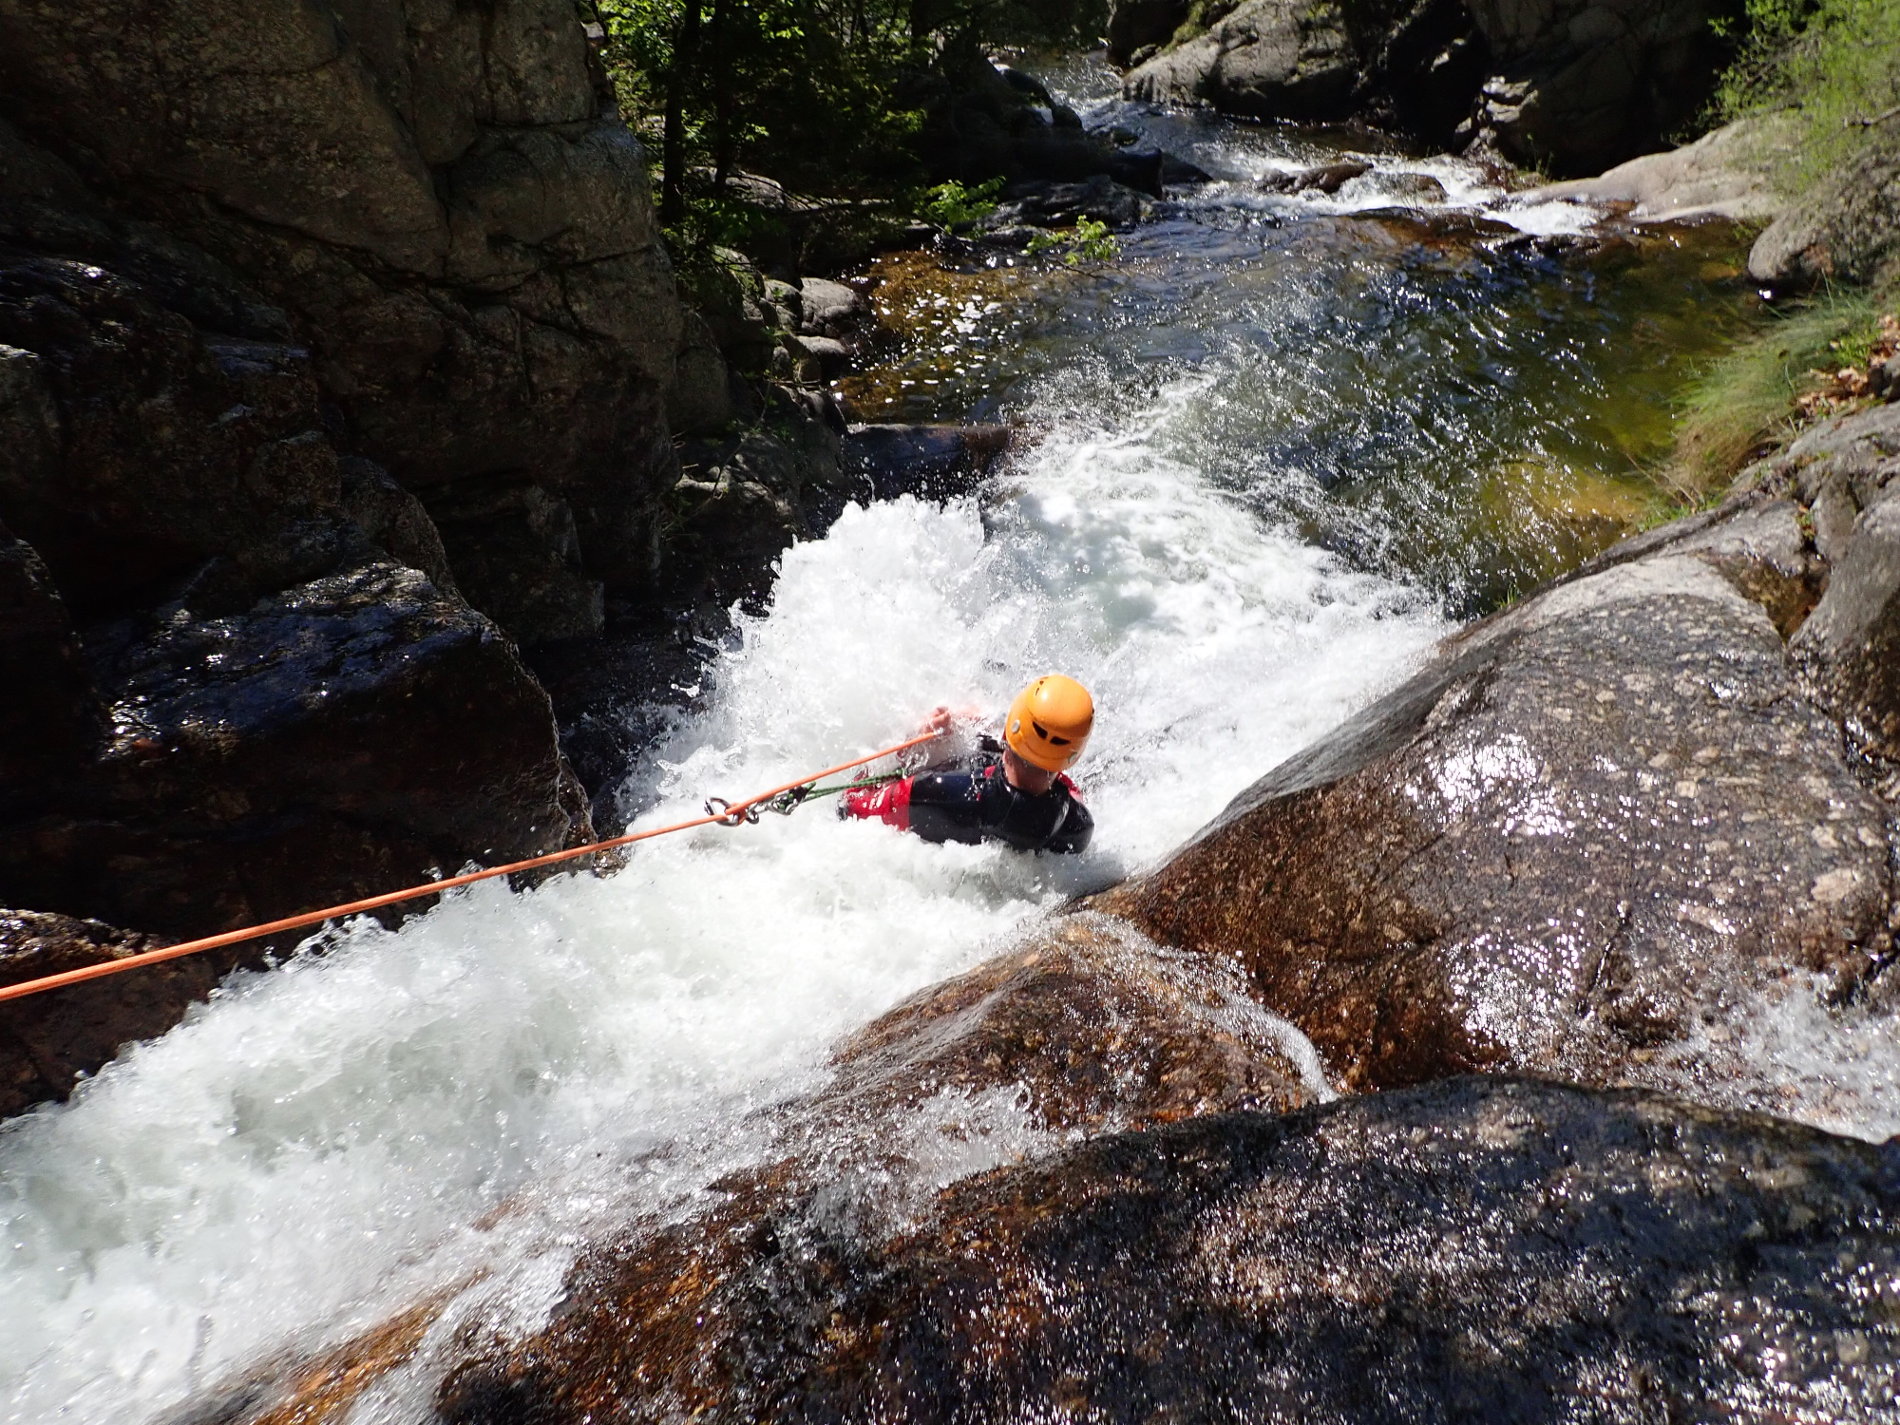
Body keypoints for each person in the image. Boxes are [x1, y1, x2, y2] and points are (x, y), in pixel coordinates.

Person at [839, 675, 1095, 854]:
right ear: (1074, 756)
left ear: (1010, 729)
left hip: (952, 798)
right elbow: (1059, 782)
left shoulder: (932, 792)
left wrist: (912, 744)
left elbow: (848, 806)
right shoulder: (1078, 827)